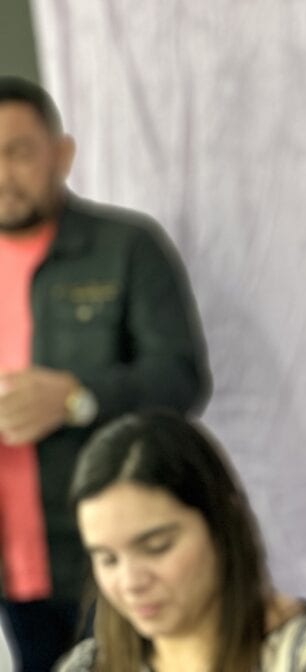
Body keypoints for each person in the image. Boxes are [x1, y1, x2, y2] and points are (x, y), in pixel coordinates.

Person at [0, 76, 211, 671]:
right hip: (12, 563)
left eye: (18, 151)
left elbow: (181, 378)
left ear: (61, 153)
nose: (3, 174)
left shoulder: (126, 246)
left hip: (111, 552)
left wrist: (76, 398)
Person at [55, 411, 306, 672]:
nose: (131, 582)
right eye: (107, 559)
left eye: (157, 547)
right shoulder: (87, 666)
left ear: (220, 521)